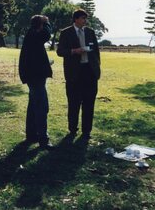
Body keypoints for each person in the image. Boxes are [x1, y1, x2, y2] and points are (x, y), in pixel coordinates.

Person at [56, 9, 101, 140]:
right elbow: (60, 51)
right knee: (74, 103)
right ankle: (72, 129)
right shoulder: (66, 33)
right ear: (75, 19)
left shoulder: (90, 32)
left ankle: (87, 131)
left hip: (90, 72)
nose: (85, 21)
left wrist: (97, 68)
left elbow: (96, 51)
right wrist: (74, 51)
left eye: (85, 18)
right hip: (74, 73)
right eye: (82, 18)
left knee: (89, 103)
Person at [19, 15, 54, 150]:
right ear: (40, 26)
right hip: (36, 76)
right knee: (41, 107)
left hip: (32, 75)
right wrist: (47, 23)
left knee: (33, 105)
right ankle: (43, 140)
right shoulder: (36, 35)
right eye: (43, 24)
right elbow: (47, 34)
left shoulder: (31, 34)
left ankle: (31, 135)